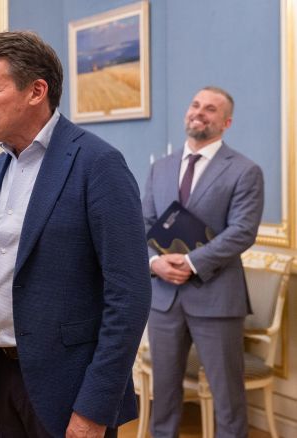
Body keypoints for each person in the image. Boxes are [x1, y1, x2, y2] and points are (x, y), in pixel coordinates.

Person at [0, 31, 151, 438]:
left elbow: (128, 297)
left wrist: (95, 407)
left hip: (69, 391)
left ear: (36, 91)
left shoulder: (98, 165)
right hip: (0, 382)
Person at [143, 86, 264, 438]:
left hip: (217, 300)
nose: (199, 112)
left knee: (228, 399)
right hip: (163, 299)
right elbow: (142, 225)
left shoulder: (245, 170)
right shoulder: (159, 168)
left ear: (225, 122)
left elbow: (243, 232)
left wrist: (191, 262)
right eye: (195, 104)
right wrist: (155, 264)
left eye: (210, 109)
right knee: (164, 397)